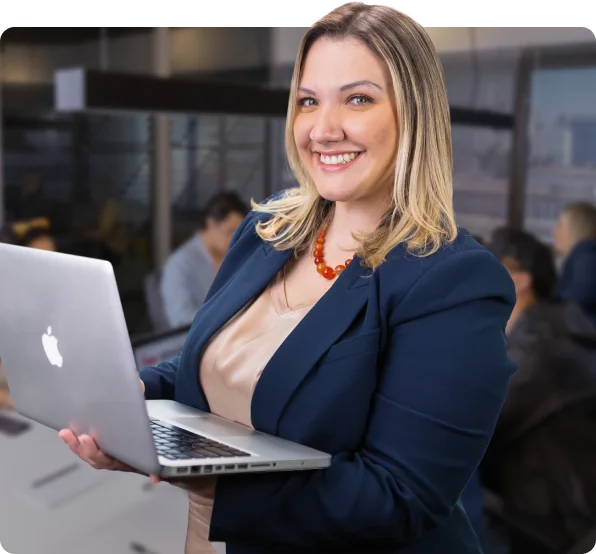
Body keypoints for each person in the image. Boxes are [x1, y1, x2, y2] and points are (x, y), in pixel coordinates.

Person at [59, 4, 516, 553]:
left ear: (414, 115)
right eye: (308, 101)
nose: (323, 129)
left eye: (358, 98)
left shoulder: (452, 281)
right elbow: (222, 364)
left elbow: (398, 497)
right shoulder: (269, 228)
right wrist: (132, 398)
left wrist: (200, 474)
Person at [482, 228, 596, 554]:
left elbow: (479, 422)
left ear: (519, 280)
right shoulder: (557, 327)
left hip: (559, 521)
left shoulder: (540, 351)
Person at [160, 191, 249, 329]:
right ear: (210, 224)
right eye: (230, 232)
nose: (235, 240)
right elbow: (180, 319)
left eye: (238, 234)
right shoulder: (179, 264)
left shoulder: (235, 258)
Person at [553, 202, 596, 327]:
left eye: (560, 225)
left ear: (576, 229)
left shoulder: (586, 256)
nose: (555, 232)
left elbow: (578, 299)